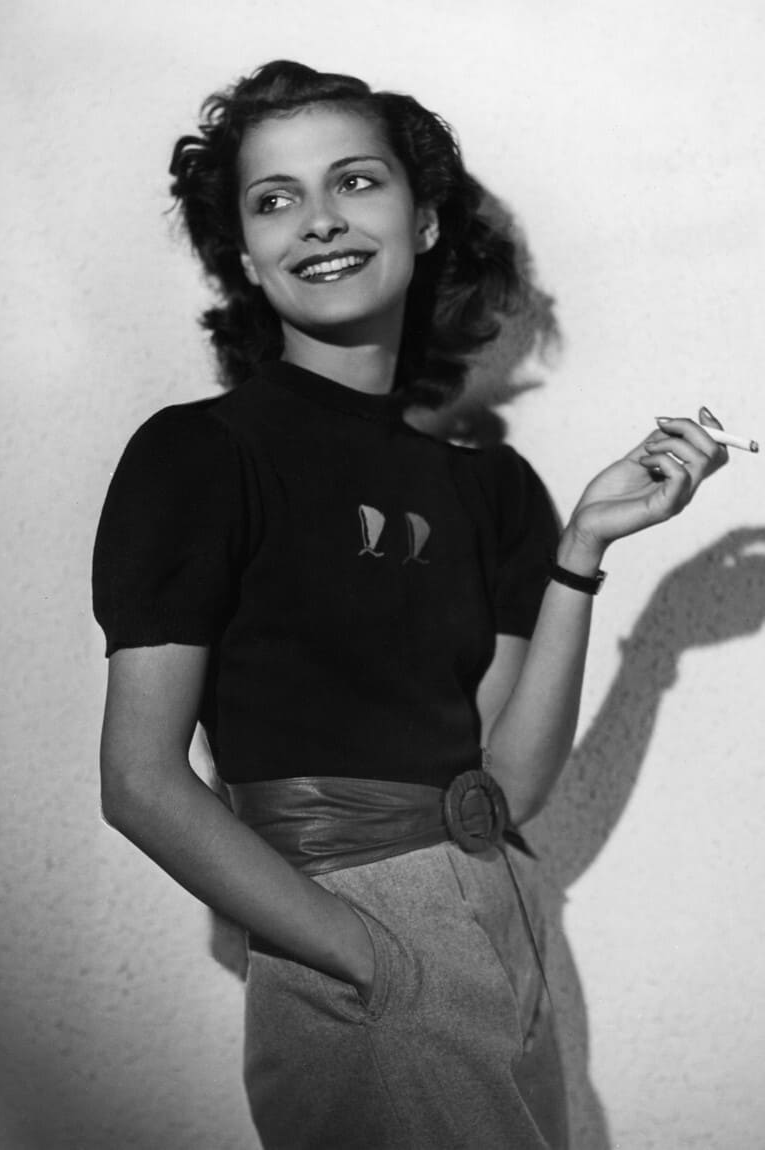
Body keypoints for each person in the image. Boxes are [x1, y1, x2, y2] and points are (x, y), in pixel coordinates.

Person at [92, 60, 727, 1150]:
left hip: (509, 927)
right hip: (356, 954)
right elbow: (140, 782)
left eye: (354, 181)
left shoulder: (493, 489)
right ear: (242, 252)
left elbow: (505, 783)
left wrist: (581, 551)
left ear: (423, 220)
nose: (318, 220)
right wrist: (366, 956)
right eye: (274, 199)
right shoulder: (198, 455)